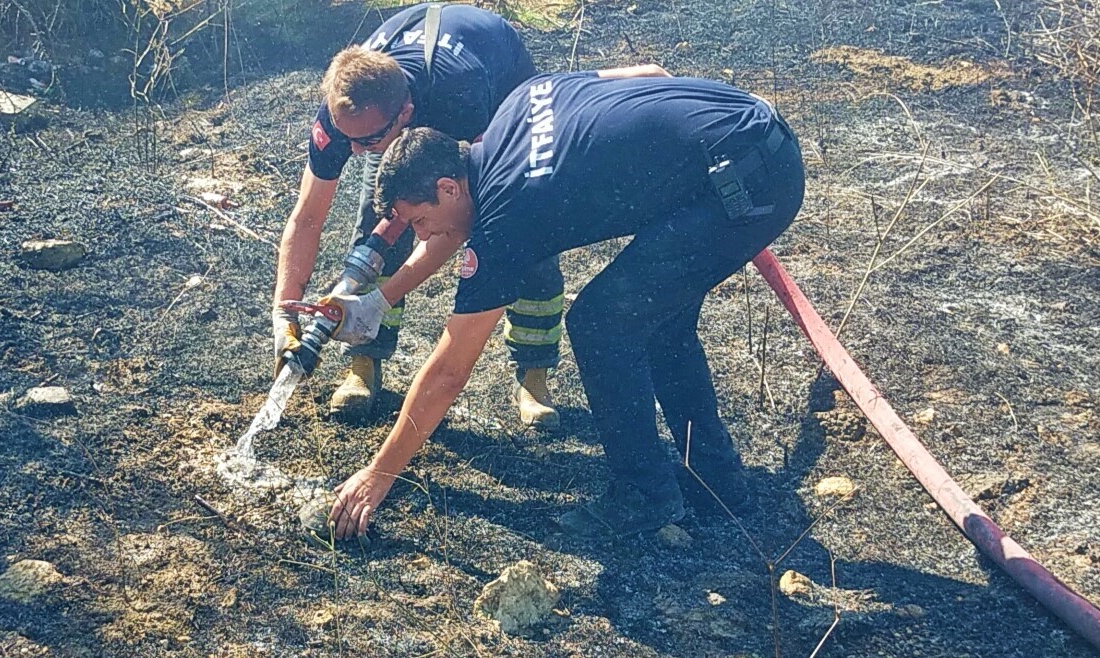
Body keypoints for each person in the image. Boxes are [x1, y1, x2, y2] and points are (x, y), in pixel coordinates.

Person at [320, 69, 806, 541]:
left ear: (448, 188)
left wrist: (379, 474)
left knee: (603, 323)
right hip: (751, 131)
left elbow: (450, 371)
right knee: (659, 324)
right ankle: (715, 481)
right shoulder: (519, 102)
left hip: (745, 185)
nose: (424, 237)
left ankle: (644, 493)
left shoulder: (507, 217)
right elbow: (648, 72)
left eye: (421, 221)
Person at [273, 3, 564, 428]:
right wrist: (284, 312)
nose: (354, 151)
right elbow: (307, 218)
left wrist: (378, 300)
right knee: (374, 221)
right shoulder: (349, 118)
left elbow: (456, 222)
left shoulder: (460, 97)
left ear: (405, 114)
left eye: (367, 140)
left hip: (498, 78)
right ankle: (363, 362)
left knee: (522, 223)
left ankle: (534, 374)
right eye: (347, 139)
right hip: (410, 90)